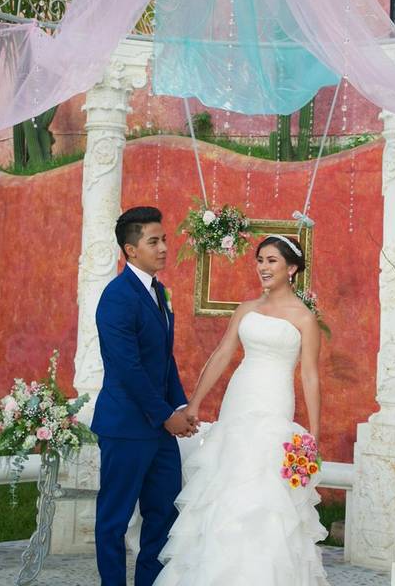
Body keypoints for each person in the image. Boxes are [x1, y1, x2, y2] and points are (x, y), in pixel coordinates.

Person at [154, 235, 328, 585]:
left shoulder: (304, 319)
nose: (263, 267)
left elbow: (310, 376)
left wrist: (313, 435)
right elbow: (222, 354)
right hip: (241, 397)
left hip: (274, 401)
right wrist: (196, 402)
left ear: (291, 269)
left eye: (272, 261)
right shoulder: (246, 308)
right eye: (260, 260)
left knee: (263, 484)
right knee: (226, 478)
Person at [92, 206, 198, 586]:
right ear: (131, 249)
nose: (164, 247)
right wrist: (165, 414)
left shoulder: (159, 292)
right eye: (154, 241)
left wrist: (181, 406)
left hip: (160, 429)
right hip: (125, 426)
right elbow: (128, 368)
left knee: (164, 513)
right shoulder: (117, 297)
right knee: (115, 519)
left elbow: (163, 359)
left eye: (165, 239)